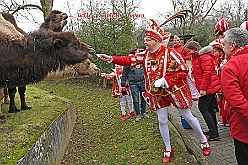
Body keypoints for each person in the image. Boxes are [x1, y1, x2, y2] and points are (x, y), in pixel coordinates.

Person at [99, 19, 210, 164]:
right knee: (162, 120)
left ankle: (203, 139)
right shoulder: (145, 55)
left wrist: (166, 80)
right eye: (145, 39)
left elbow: (184, 70)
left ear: (156, 40)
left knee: (187, 116)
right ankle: (168, 148)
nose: (145, 42)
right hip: (157, 94)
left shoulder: (170, 53)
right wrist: (111, 59)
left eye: (148, 39)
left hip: (175, 91)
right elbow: (129, 60)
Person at [221, 27, 248, 165]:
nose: (223, 49)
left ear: (232, 46)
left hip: (243, 129)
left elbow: (235, 99)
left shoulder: (231, 66)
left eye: (224, 45)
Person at [185, 41, 222, 141]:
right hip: (207, 87)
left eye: (189, 51)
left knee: (203, 108)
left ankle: (214, 133)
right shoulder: (198, 57)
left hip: (208, 88)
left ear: (194, 49)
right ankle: (213, 131)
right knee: (209, 109)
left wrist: (203, 88)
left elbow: (207, 74)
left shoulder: (204, 57)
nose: (188, 53)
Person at [121, 48, 148, 122]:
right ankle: (138, 114)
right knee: (135, 99)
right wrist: (123, 84)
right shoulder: (128, 61)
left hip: (142, 81)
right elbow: (124, 73)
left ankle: (143, 112)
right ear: (134, 53)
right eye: (138, 52)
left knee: (144, 98)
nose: (139, 53)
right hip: (133, 83)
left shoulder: (141, 60)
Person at [209, 39, 229, 126]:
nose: (214, 52)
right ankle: (224, 119)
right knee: (220, 101)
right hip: (219, 82)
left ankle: (227, 119)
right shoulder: (216, 59)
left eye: (216, 51)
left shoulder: (225, 60)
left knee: (226, 101)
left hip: (224, 82)